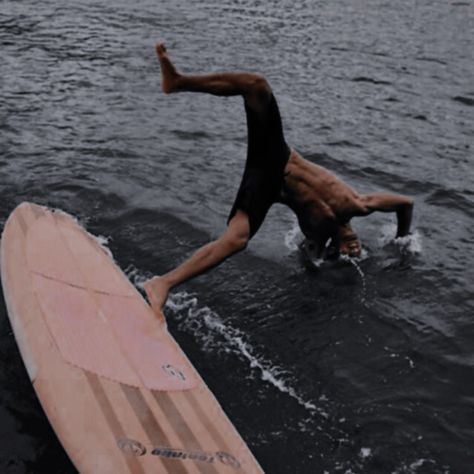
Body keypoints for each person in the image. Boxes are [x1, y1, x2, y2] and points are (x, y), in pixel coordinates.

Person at [144, 43, 414, 310]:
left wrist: (323, 262)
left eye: (350, 255)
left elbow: (309, 258)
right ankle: (178, 82)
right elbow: (405, 203)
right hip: (277, 157)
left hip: (268, 186)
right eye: (356, 248)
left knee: (236, 240)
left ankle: (162, 284)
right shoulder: (357, 204)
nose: (353, 250)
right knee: (256, 85)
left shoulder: (317, 238)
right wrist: (401, 239)